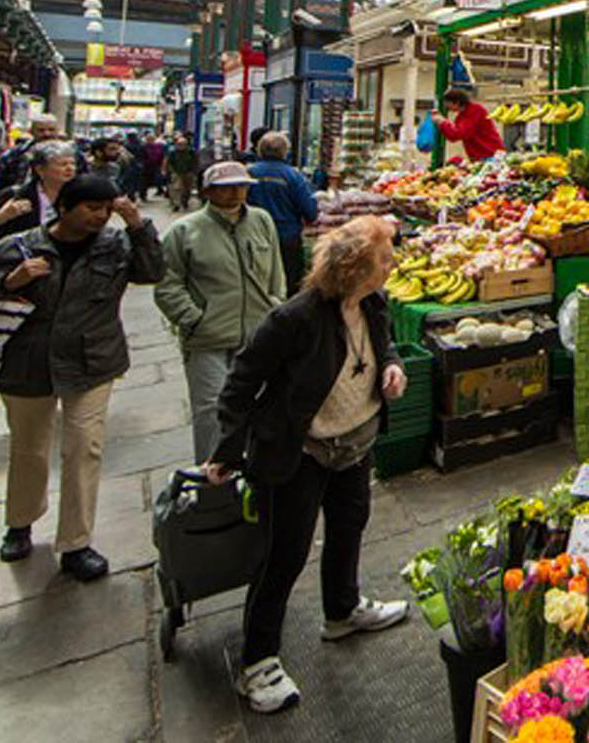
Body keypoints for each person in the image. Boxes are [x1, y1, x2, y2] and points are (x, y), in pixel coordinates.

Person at [204, 216, 411, 714]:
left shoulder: (374, 305)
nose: (392, 265)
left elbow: (383, 347)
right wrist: (228, 451)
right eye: (385, 258)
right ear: (359, 266)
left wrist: (393, 365)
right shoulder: (294, 319)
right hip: (301, 451)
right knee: (285, 554)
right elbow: (240, 383)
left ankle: (341, 612)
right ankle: (257, 662)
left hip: (355, 443)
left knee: (348, 527)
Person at [0, 175, 162, 578]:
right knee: (30, 448)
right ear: (64, 208)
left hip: (93, 360)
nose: (100, 217)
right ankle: (20, 522)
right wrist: (9, 282)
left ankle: (76, 542)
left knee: (84, 447)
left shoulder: (116, 245)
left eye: (106, 210)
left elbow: (153, 272)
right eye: (91, 209)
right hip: (29, 363)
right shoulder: (17, 248)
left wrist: (138, 225)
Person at [156, 161, 286, 459]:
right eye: (226, 187)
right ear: (208, 191)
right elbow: (167, 285)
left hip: (258, 333)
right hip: (209, 338)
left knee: (260, 403)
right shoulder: (184, 231)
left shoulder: (261, 220)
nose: (236, 193)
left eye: (241, 186)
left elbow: (275, 270)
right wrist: (194, 320)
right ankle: (213, 479)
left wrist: (275, 304)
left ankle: (254, 473)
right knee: (212, 410)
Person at [0, 142, 81, 255]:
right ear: (40, 170)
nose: (70, 168)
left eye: (73, 164)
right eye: (63, 164)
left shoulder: (81, 195)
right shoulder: (15, 195)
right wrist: (0, 217)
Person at [249, 132, 319, 295]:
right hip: (286, 238)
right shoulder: (294, 176)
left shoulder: (249, 173)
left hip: (253, 235)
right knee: (288, 283)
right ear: (285, 151)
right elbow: (310, 212)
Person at [435, 87, 503, 163]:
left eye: (448, 105)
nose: (447, 108)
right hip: (480, 155)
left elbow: (459, 133)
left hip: (490, 153)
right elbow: (453, 136)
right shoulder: (461, 116)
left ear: (456, 102)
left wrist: (443, 122)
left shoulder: (475, 111)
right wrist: (443, 124)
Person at [166, 133, 200, 212]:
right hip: (176, 172)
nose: (181, 146)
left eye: (183, 144)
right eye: (179, 144)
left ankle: (184, 201)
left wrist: (194, 171)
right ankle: (176, 204)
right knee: (176, 188)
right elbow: (169, 162)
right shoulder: (173, 152)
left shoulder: (191, 152)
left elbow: (195, 161)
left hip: (188, 173)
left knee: (187, 189)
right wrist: (170, 171)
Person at [142, 134, 167, 202]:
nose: (150, 141)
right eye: (149, 139)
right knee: (145, 181)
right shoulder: (144, 146)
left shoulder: (158, 146)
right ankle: (144, 195)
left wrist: (162, 165)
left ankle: (159, 190)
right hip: (147, 167)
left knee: (155, 179)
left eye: (151, 139)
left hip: (155, 166)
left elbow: (162, 156)